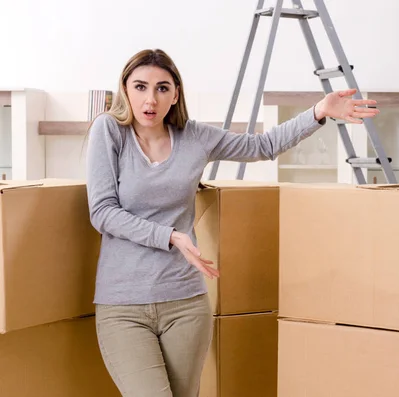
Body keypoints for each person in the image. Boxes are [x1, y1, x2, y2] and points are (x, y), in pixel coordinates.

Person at [85, 48, 380, 397]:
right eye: (140, 87)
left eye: (162, 88)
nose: (151, 99)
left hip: (185, 303)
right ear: (125, 90)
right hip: (123, 306)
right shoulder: (109, 131)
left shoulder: (194, 138)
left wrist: (318, 112)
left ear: (176, 93)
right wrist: (171, 237)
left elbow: (262, 146)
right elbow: (102, 211)